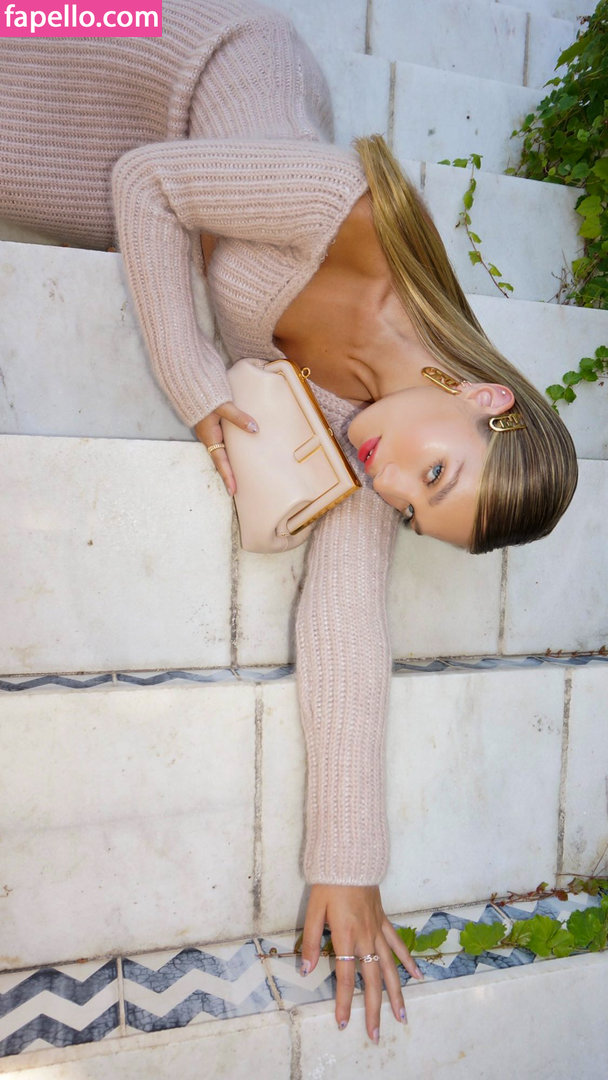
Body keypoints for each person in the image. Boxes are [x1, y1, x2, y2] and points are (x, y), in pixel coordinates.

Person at [0, 0, 577, 1044]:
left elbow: (346, 620)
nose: (393, 487)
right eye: (435, 472)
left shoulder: (374, 433)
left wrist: (348, 866)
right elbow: (148, 181)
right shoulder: (344, 209)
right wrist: (197, 386)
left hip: (156, 157)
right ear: (484, 395)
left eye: (416, 512)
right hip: (177, 50)